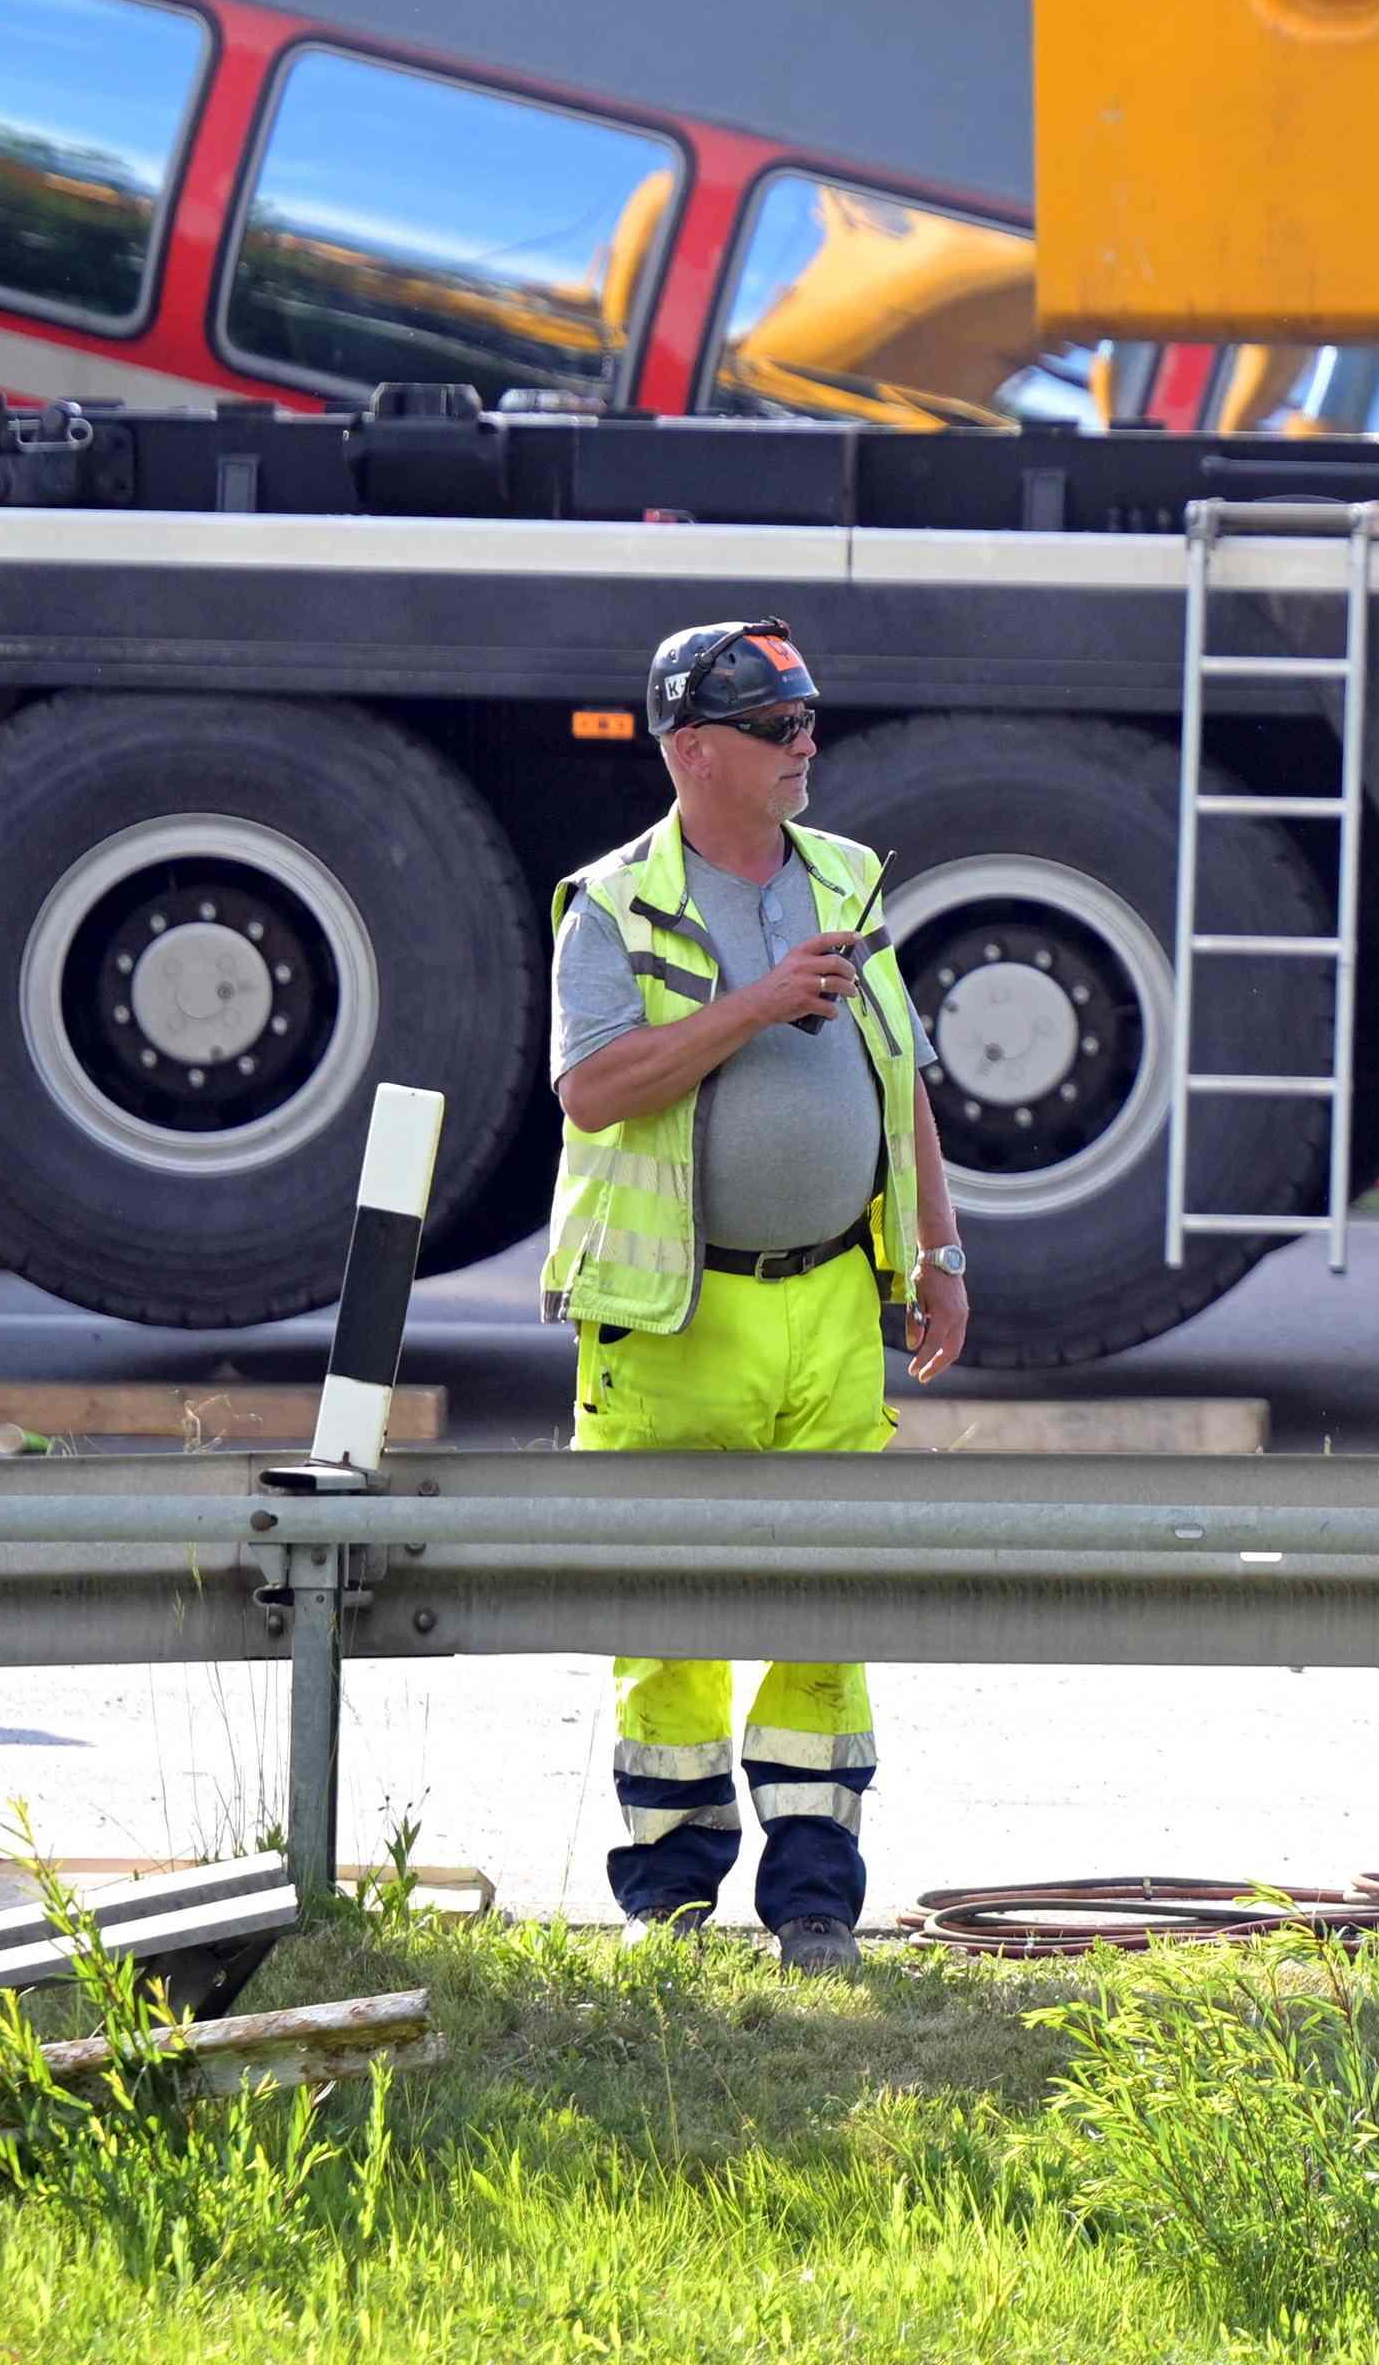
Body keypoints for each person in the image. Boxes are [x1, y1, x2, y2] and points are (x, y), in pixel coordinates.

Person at [543, 619, 968, 1969]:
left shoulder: (847, 876)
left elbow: (903, 1084)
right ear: (694, 751)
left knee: (827, 1601)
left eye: (809, 723)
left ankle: (815, 1904)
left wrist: (942, 1254)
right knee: (669, 1620)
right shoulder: (612, 903)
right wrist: (756, 1003)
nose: (807, 749)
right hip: (675, 1315)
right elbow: (595, 1089)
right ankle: (667, 1907)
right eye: (780, 731)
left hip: (834, 1306)